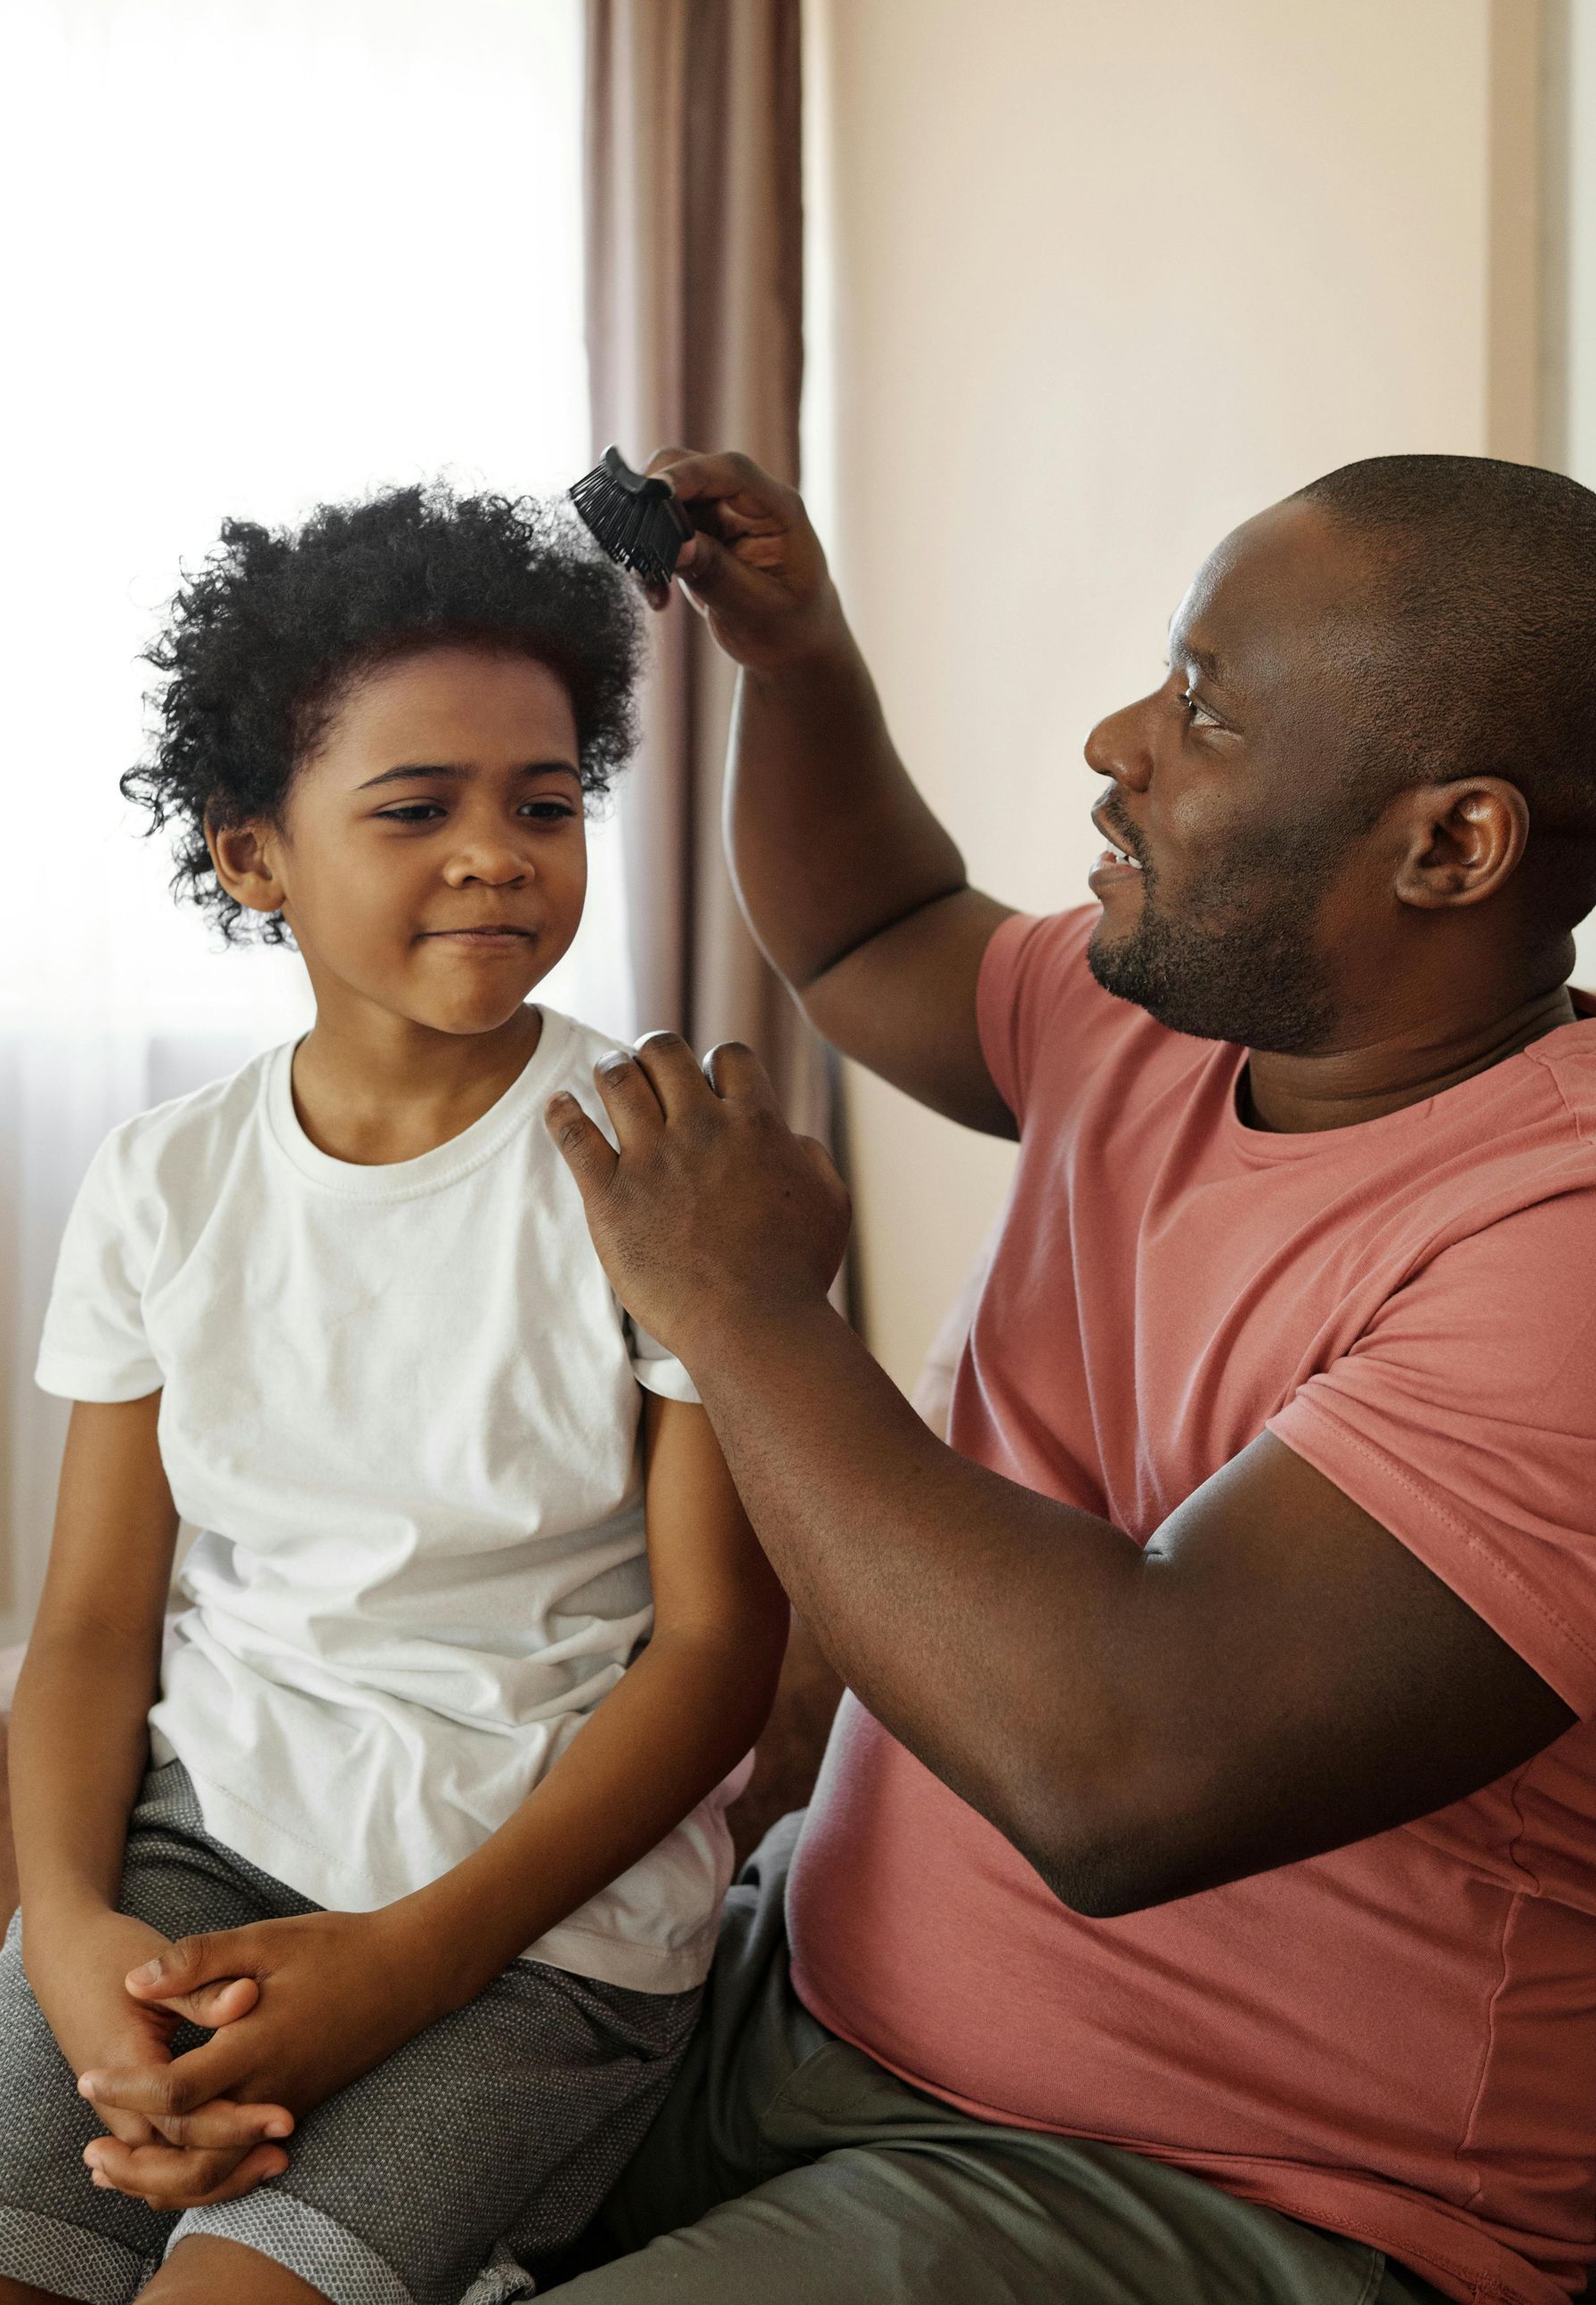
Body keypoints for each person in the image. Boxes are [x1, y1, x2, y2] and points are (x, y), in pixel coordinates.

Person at [539, 450, 1596, 2305]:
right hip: (803, 1996)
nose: (1119, 737)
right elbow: (871, 936)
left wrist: (752, 1309)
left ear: (1451, 845)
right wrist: (797, 663)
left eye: (1202, 704)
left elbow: (1116, 1771)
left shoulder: (1558, 1243)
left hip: (1231, 2184)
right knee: (181, 2159)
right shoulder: (1166, 1013)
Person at [0, 485, 788, 2305]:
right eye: (415, 807)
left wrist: (408, 1961)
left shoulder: (660, 1158)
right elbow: (88, 1623)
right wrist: (69, 1934)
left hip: (540, 1922)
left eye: (547, 802)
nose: (498, 851)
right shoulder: (164, 1179)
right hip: (204, 1843)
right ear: (251, 856)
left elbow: (716, 1649)